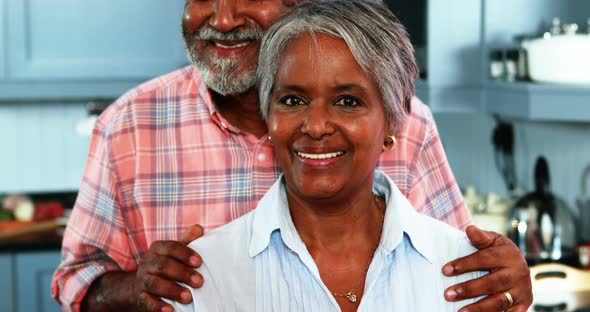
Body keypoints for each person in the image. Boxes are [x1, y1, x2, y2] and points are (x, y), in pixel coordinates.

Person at [51, 0, 532, 311]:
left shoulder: (410, 121)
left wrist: (510, 286)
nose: (223, 20)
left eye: (347, 101)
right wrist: (142, 291)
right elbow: (77, 280)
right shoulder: (128, 125)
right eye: (293, 100)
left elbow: (470, 270)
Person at [169, 1, 486, 310]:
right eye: (293, 100)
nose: (316, 126)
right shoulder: (205, 279)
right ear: (269, 117)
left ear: (393, 121)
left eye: (347, 102)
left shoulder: (466, 274)